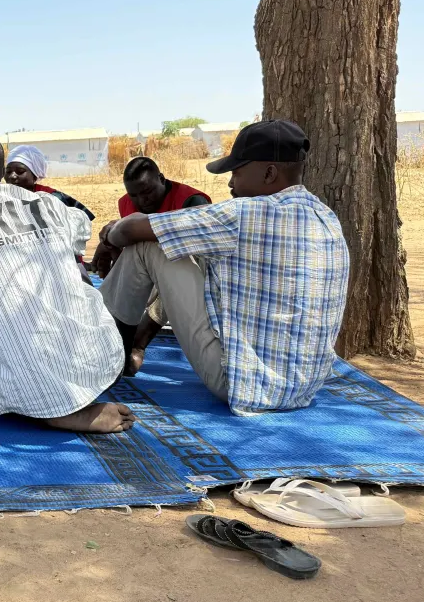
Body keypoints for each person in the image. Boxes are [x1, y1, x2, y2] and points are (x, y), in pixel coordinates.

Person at [99, 120, 350, 414]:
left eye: (237, 172)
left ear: (269, 172)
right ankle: (130, 346)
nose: (231, 183)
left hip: (244, 384)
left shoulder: (243, 213)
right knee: (182, 247)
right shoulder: (325, 216)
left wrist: (107, 236)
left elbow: (132, 231)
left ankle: (100, 358)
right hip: (303, 388)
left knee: (149, 245)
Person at [0, 134, 135, 451]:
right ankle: (67, 395)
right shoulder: (47, 203)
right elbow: (82, 224)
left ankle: (49, 410)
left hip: (35, 375)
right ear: (0, 171)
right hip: (97, 357)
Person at [90, 157, 213, 369]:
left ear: (162, 180)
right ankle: (114, 345)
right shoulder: (126, 203)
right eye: (134, 195)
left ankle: (138, 344)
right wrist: (109, 247)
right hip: (146, 272)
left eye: (147, 192)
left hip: (185, 274)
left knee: (171, 280)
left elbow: (200, 259)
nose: (142, 201)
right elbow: (130, 256)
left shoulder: (192, 202)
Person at [5, 145, 95, 221]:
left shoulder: (53, 197)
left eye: (20, 171)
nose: (12, 176)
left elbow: (84, 218)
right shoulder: (0, 197)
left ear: (35, 175)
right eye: (8, 172)